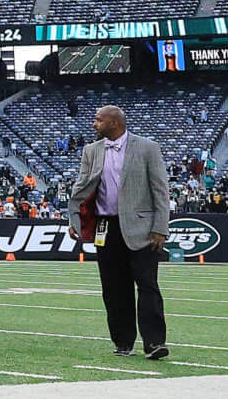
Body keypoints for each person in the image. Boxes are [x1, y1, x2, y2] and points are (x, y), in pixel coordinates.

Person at [70, 105, 173, 359]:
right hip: (106, 226)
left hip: (143, 228)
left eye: (98, 120)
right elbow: (80, 189)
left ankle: (154, 342)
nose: (94, 124)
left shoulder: (147, 147)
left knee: (147, 285)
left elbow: (160, 190)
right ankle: (123, 341)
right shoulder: (91, 151)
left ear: (114, 123)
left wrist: (161, 227)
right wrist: (75, 221)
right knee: (114, 288)